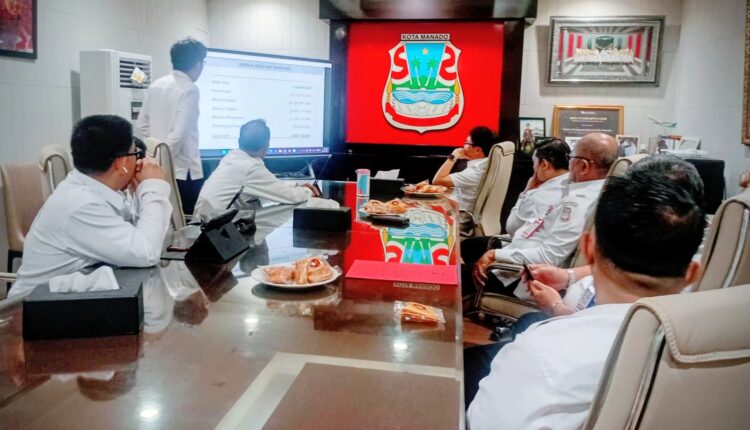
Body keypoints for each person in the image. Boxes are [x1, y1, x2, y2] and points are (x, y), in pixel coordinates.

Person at [467, 160, 706, 429]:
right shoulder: (712, 354)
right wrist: (567, 280)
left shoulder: (540, 353)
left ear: (589, 247)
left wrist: (558, 307)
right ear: (692, 272)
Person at [10, 115, 172, 298]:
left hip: (71, 300)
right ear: (121, 163)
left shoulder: (91, 187)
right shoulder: (82, 205)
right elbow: (146, 252)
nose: (139, 160)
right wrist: (153, 186)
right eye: (136, 154)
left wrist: (140, 194)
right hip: (32, 308)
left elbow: (144, 238)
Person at [470, 133, 619, 293]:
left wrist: (494, 255)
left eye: (572, 158)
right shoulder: (593, 192)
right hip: (518, 255)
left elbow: (549, 256)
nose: (568, 164)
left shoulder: (577, 203)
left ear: (584, 167)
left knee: (456, 276)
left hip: (519, 277)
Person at [136, 37, 207, 215]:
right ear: (198, 64)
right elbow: (179, 134)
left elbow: (141, 124)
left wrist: (156, 153)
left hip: (157, 167)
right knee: (187, 221)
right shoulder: (190, 89)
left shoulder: (156, 85)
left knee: (164, 218)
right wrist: (164, 160)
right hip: (183, 171)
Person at [193, 119, 320, 218]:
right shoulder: (250, 167)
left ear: (239, 141)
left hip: (202, 226)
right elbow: (289, 196)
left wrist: (295, 185)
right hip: (215, 233)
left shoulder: (232, 158)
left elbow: (270, 186)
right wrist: (309, 192)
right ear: (266, 146)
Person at [432, 126, 495, 231]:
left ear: (477, 150)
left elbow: (437, 180)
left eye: (467, 143)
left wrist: (453, 156)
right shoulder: (485, 164)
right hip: (456, 210)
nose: (463, 146)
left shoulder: (475, 172)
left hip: (457, 220)